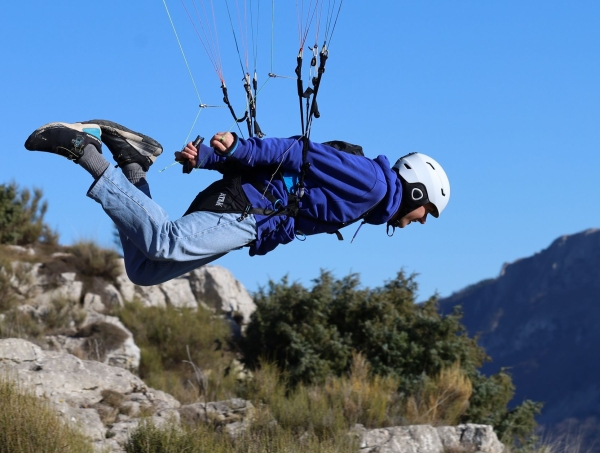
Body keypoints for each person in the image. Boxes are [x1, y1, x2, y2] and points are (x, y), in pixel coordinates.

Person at [24, 120, 450, 286]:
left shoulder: (370, 200)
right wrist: (226, 152)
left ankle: (133, 163)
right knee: (165, 243)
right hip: (247, 205)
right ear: (416, 190)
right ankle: (85, 151)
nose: (420, 221)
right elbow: (299, 153)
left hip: (255, 220)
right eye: (425, 212)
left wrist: (214, 158)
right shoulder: (373, 184)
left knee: (143, 270)